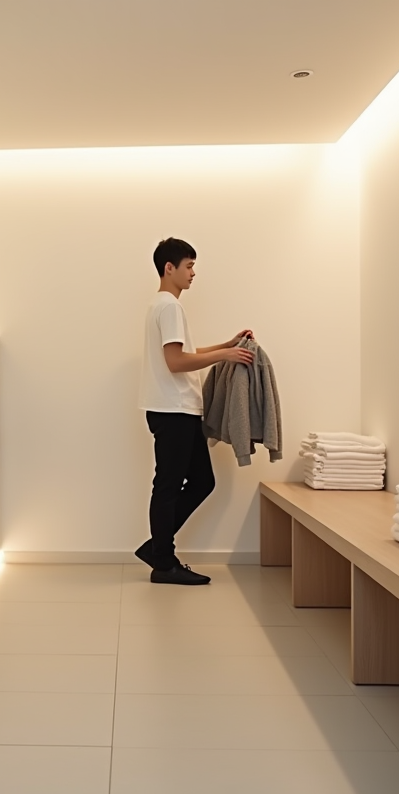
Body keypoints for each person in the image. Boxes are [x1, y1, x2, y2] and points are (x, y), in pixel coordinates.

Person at [136, 237, 253, 585]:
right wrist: (225, 356)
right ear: (168, 268)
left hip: (173, 409)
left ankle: (157, 550)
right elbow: (176, 362)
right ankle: (163, 563)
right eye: (188, 266)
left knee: (200, 481)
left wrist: (225, 345)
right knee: (170, 486)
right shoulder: (169, 307)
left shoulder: (161, 305)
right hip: (173, 409)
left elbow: (184, 351)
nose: (193, 273)